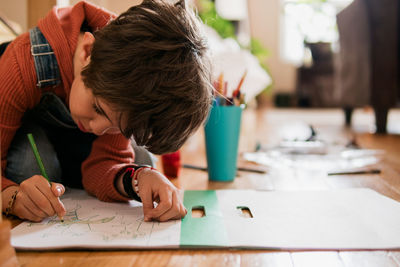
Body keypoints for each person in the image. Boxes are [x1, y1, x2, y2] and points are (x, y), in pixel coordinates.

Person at [0, 0, 212, 222]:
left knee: (143, 161)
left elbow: (103, 165)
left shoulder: (129, 90)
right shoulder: (21, 64)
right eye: (98, 108)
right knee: (33, 166)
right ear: (87, 51)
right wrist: (11, 196)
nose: (99, 129)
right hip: (18, 130)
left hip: (68, 140)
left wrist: (137, 180)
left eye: (116, 126)